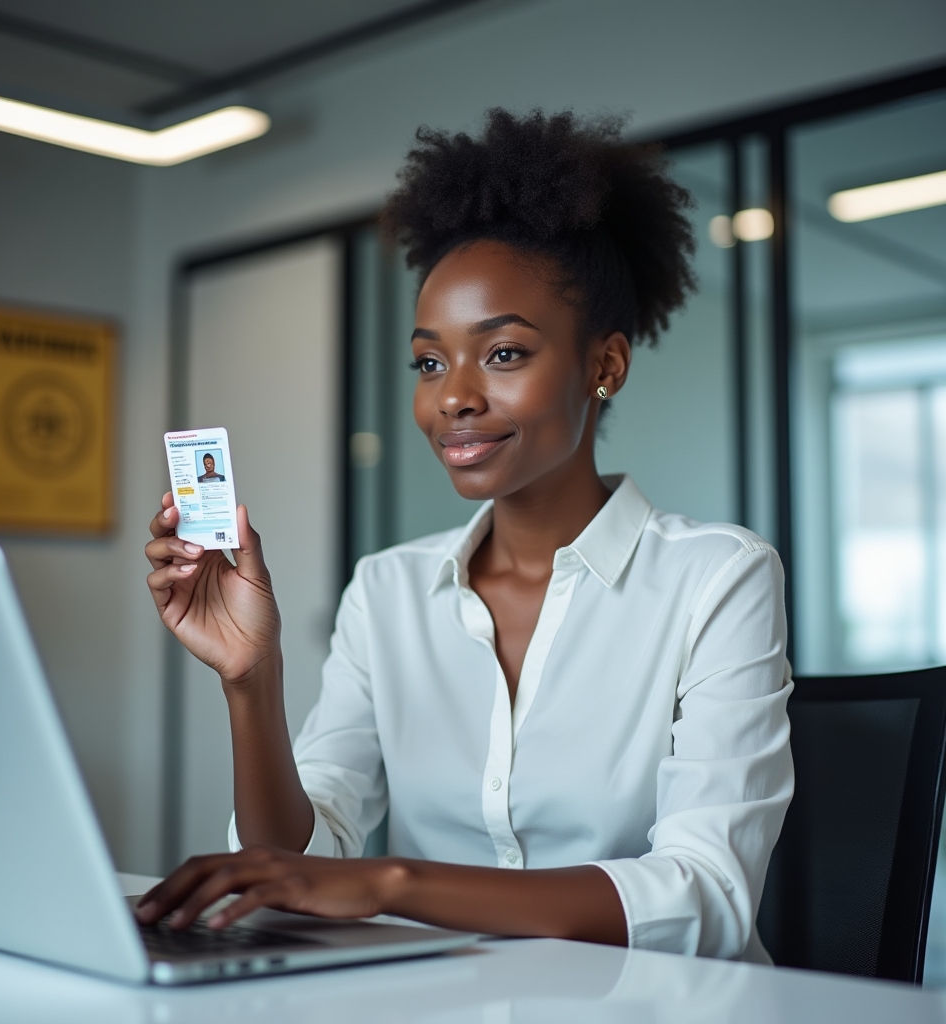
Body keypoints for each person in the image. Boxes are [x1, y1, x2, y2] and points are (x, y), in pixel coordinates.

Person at [139, 109, 793, 960]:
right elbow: (301, 862)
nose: (453, 397)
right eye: (429, 361)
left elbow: (706, 895)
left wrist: (393, 882)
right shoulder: (387, 590)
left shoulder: (719, 577)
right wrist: (251, 682)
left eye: (505, 354)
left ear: (606, 365)